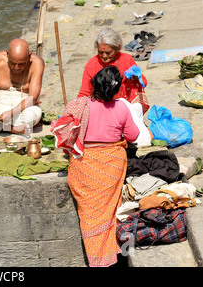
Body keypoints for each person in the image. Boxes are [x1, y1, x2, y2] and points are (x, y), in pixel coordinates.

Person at [53, 66, 140, 267]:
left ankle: (99, 261)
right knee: (111, 214)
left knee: (91, 217)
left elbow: (63, 131)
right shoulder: (121, 107)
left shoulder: (79, 105)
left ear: (93, 85)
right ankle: (116, 256)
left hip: (85, 167)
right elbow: (133, 136)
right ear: (117, 89)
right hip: (112, 168)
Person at [78, 28, 150, 114]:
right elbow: (84, 92)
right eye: (100, 52)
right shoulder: (91, 65)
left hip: (125, 104)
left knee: (134, 84)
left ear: (117, 48)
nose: (104, 56)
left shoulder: (126, 59)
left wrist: (135, 78)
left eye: (108, 53)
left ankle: (131, 118)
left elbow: (143, 82)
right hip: (102, 106)